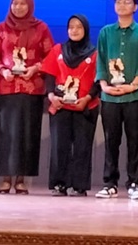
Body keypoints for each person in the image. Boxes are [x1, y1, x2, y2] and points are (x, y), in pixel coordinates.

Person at [0, 0, 54, 195]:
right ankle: (6, 178)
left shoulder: (41, 28)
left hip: (32, 88)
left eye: (22, 3)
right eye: (15, 3)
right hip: (7, 88)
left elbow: (50, 56)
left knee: (27, 134)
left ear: (30, 6)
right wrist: (2, 70)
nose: (18, 7)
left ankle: (21, 180)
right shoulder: (1, 28)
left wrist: (35, 69)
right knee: (7, 135)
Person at [95, 0, 138, 200]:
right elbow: (101, 60)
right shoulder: (105, 32)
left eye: (127, 2)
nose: (122, 5)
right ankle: (109, 183)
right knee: (111, 140)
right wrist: (103, 85)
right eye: (118, 1)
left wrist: (134, 84)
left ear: (135, 7)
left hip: (134, 96)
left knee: (134, 140)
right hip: (109, 95)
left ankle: (134, 183)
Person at [41, 14, 100, 197]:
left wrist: (87, 98)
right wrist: (51, 96)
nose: (74, 30)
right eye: (71, 27)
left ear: (86, 30)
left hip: (85, 106)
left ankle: (80, 185)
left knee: (82, 147)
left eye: (79, 27)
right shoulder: (57, 50)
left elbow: (99, 80)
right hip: (60, 106)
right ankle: (59, 184)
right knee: (59, 147)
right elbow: (49, 75)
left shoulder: (95, 53)